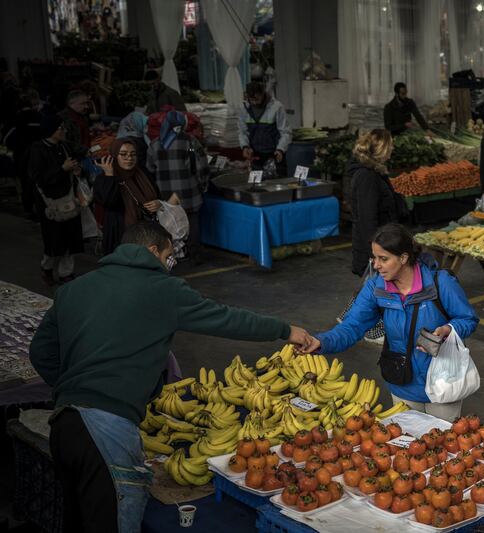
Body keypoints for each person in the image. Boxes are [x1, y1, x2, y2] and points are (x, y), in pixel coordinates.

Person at [29, 221, 317, 533]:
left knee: (77, 521)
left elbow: (41, 353)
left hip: (63, 425)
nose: (170, 265)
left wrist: (76, 387)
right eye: (169, 256)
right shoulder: (162, 289)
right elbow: (225, 319)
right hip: (107, 430)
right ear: (152, 251)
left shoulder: (73, 289)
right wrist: (285, 330)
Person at [306, 223, 479, 419]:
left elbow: (468, 319)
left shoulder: (441, 283)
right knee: (406, 442)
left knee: (442, 443)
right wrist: (321, 342)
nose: (376, 265)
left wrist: (449, 329)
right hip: (401, 381)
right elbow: (352, 326)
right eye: (374, 258)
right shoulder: (375, 288)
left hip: (443, 381)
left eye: (383, 259)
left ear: (403, 258)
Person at [146, 111, 210, 263]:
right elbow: (202, 167)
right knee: (191, 223)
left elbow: (149, 169)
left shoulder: (154, 144)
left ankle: (169, 256)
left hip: (165, 195)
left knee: (168, 225)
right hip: (188, 194)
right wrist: (203, 186)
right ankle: (194, 255)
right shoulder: (190, 141)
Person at [27, 114, 84, 285]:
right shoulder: (37, 149)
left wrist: (75, 170)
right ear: (51, 130)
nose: (63, 130)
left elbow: (74, 162)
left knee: (71, 238)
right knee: (54, 241)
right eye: (60, 127)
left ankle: (67, 272)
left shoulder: (64, 146)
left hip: (69, 199)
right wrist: (62, 169)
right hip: (50, 203)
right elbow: (37, 178)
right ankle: (47, 267)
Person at [93, 138, 161, 254]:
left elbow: (157, 195)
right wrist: (110, 175)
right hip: (121, 235)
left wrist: (159, 204)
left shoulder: (143, 173)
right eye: (123, 154)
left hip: (148, 232)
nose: (129, 158)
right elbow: (108, 202)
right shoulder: (103, 179)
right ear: (114, 155)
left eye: (133, 154)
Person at [348, 129, 401, 276]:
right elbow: (368, 219)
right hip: (375, 252)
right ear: (382, 149)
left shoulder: (375, 173)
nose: (392, 148)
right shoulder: (367, 177)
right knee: (376, 293)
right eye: (390, 145)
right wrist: (378, 255)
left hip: (382, 246)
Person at [238, 81, 292, 176]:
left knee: (277, 186)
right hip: (256, 157)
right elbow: (243, 131)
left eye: (257, 99)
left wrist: (280, 149)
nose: (254, 102)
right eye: (252, 100)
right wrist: (245, 146)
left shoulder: (276, 107)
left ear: (263, 94)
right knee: (257, 188)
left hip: (275, 156)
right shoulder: (244, 109)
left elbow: (286, 132)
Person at [3, 88, 42, 218]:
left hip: (22, 155)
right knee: (39, 181)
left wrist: (15, 147)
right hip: (39, 154)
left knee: (26, 182)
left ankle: (29, 208)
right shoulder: (39, 117)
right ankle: (40, 206)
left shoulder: (15, 120)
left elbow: (7, 138)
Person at [57, 89, 91, 158]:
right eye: (83, 103)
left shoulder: (82, 116)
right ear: (71, 103)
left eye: (87, 103)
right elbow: (65, 142)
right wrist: (85, 151)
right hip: (73, 159)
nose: (86, 106)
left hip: (87, 152)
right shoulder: (61, 118)